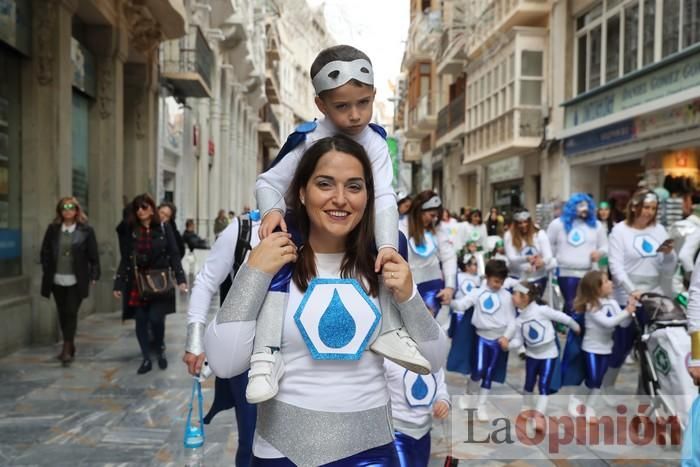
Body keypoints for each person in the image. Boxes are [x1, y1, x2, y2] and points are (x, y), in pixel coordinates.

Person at [203, 135, 447, 465]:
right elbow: (224, 362)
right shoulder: (273, 259)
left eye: (354, 186)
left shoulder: (384, 262)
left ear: (369, 197)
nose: (340, 199)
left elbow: (433, 359)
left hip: (371, 453)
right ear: (301, 192)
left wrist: (409, 296)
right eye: (325, 184)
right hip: (281, 453)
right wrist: (253, 273)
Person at [250, 45, 428, 402]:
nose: (355, 115)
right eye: (342, 106)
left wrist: (389, 247)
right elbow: (268, 182)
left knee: (395, 247)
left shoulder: (376, 142)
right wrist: (271, 213)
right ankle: (266, 352)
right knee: (279, 258)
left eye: (363, 102)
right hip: (304, 227)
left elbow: (384, 198)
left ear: (374, 95)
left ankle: (390, 329)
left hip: (354, 230)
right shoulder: (306, 140)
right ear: (320, 105)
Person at [184, 210, 261, 467]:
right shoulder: (244, 229)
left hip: (303, 359)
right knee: (251, 441)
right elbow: (206, 282)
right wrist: (195, 342)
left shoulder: (323, 226)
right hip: (247, 355)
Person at [606, 189, 677, 390]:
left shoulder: (660, 230)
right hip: (627, 296)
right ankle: (605, 388)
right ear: (635, 207)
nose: (649, 212)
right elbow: (616, 267)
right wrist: (631, 290)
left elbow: (668, 268)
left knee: (651, 347)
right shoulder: (620, 231)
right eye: (646, 207)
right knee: (621, 346)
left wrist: (670, 254)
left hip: (654, 296)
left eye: (653, 208)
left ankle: (644, 391)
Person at [113, 193, 187, 374]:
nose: (140, 211)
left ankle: (159, 350)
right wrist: (118, 283)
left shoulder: (163, 227)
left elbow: (175, 254)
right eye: (137, 208)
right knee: (140, 320)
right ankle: (146, 357)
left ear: (152, 209)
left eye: (144, 207)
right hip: (137, 282)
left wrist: (181, 279)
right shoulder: (132, 230)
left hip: (159, 280)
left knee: (156, 319)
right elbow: (126, 258)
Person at [502, 281, 580, 431]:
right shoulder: (519, 321)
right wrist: (508, 346)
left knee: (544, 385)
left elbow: (562, 317)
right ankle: (526, 406)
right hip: (532, 356)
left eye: (515, 294)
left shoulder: (542, 310)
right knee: (529, 384)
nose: (512, 296)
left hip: (549, 355)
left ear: (524, 297)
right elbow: (519, 341)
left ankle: (538, 416)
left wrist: (575, 326)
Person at [564, 271, 636, 420]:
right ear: (596, 288)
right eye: (606, 281)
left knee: (599, 380)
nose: (610, 283)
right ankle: (576, 399)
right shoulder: (592, 306)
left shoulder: (613, 303)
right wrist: (626, 312)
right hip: (591, 349)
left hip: (606, 348)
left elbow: (623, 323)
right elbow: (607, 323)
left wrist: (629, 312)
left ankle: (590, 407)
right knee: (592, 379)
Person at [450, 260, 516, 421]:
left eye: (501, 282)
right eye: (495, 281)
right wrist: (449, 302)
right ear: (487, 277)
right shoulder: (477, 292)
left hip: (497, 340)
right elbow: (462, 304)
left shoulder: (507, 296)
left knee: (489, 373)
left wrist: (506, 336)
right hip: (481, 338)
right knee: (478, 370)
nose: (497, 284)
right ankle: (469, 394)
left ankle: (482, 404)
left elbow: (512, 320)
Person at [40, 196, 100, 366]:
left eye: (71, 208)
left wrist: (94, 275)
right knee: (62, 312)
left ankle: (66, 347)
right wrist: (47, 269)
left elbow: (93, 255)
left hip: (77, 279)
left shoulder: (86, 231)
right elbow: (45, 251)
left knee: (71, 312)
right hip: (57, 278)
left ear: (76, 211)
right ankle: (70, 344)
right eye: (64, 208)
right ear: (60, 211)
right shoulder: (53, 230)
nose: (68, 211)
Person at [546, 193, 608, 315]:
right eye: (580, 206)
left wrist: (599, 253)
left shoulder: (596, 226)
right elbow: (549, 245)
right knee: (571, 306)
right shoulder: (558, 224)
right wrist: (552, 261)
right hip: (565, 273)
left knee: (589, 307)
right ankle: (571, 331)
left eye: (586, 206)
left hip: (588, 274)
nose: (584, 210)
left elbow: (605, 246)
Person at [401, 190, 457, 317]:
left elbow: (449, 257)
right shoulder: (401, 227)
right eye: (432, 215)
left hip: (433, 289)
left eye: (436, 215)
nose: (434, 219)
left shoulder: (438, 228)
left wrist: (449, 287)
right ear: (419, 210)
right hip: (408, 289)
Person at [384, 360, 450, 467]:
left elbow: (440, 387)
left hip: (423, 433)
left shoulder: (433, 357)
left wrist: (443, 401)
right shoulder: (389, 358)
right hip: (395, 432)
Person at [504, 208, 553, 292]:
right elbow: (511, 258)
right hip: (517, 278)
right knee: (521, 303)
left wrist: (542, 262)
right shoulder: (509, 235)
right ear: (515, 224)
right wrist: (526, 258)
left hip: (537, 277)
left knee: (534, 303)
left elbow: (548, 256)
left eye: (526, 222)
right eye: (520, 223)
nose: (523, 225)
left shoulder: (540, 234)